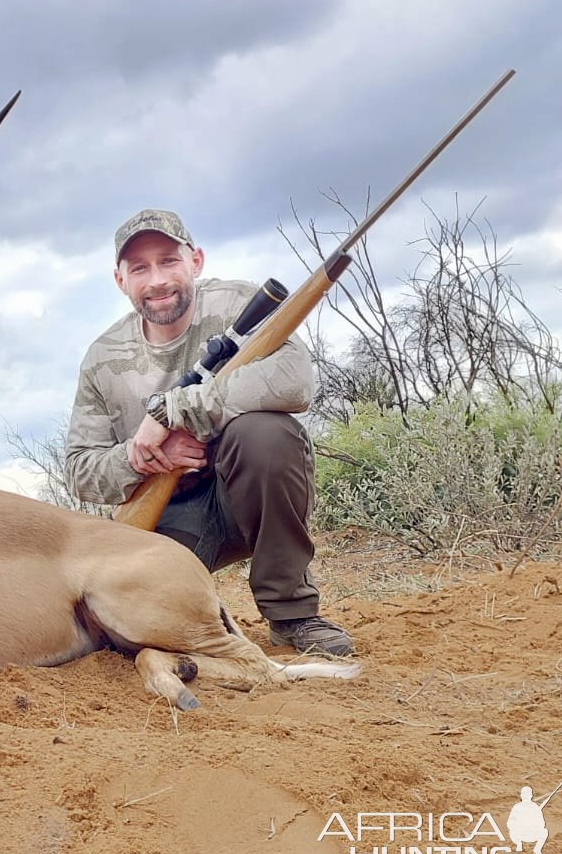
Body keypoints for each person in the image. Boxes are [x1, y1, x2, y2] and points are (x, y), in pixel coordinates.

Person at [64, 208, 354, 657]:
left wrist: (177, 410)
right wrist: (141, 457)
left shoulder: (238, 305)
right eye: (139, 268)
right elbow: (80, 471)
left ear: (195, 261)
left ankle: (292, 615)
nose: (157, 279)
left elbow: (295, 379)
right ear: (120, 280)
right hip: (169, 518)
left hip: (243, 498)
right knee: (123, 629)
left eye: (169, 261)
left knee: (265, 434)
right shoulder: (103, 357)